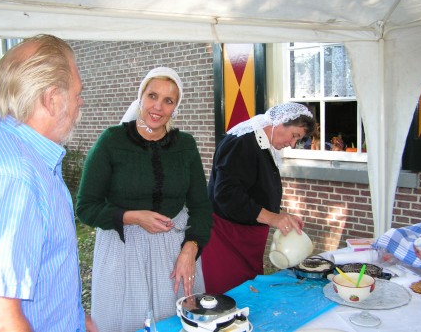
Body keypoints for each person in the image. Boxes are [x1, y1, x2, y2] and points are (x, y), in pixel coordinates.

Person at [76, 67, 213, 332]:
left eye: (168, 101)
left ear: (176, 107)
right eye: (152, 96)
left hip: (175, 250)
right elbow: (85, 207)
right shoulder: (111, 141)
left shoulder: (186, 145)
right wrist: (133, 217)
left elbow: (200, 206)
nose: (158, 107)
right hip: (123, 246)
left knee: (174, 322)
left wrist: (191, 248)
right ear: (140, 97)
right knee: (126, 322)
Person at [0, 35, 97, 331]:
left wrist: (82, 322)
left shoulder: (0, 139)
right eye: (77, 93)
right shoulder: (16, 177)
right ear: (52, 98)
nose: (81, 102)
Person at [202, 102, 316, 294]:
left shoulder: (262, 144)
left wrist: (281, 216)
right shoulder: (241, 142)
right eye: (295, 135)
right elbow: (227, 196)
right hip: (226, 239)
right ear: (281, 122)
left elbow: (254, 191)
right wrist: (272, 218)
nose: (292, 143)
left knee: (248, 292)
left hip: (245, 238)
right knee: (231, 296)